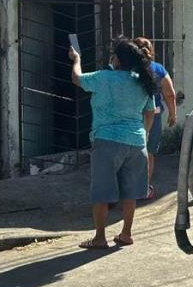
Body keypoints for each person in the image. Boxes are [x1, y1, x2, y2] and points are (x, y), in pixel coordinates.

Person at [71, 37, 157, 249]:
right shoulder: (142, 80)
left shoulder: (104, 78)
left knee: (101, 192)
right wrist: (144, 134)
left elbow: (77, 78)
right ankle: (126, 234)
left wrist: (76, 59)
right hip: (136, 142)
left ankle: (100, 237)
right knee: (131, 192)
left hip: (107, 140)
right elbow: (149, 113)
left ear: (117, 59)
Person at [133, 37, 177, 200]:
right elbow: (170, 94)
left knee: (128, 153)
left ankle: (126, 188)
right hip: (154, 116)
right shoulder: (158, 69)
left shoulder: (127, 70)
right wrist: (173, 114)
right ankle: (143, 189)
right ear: (150, 51)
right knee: (149, 153)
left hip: (131, 116)